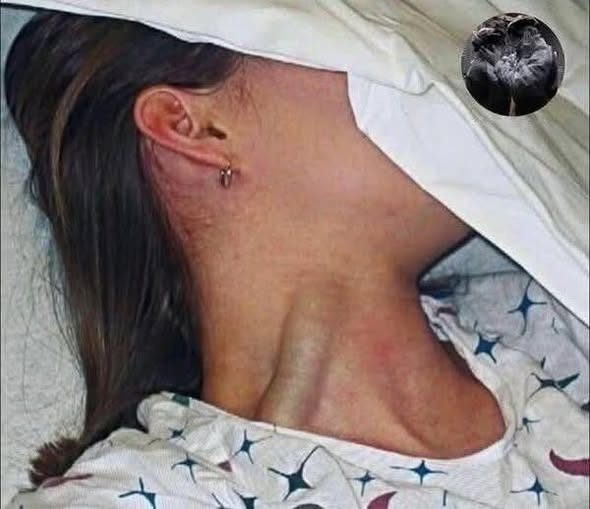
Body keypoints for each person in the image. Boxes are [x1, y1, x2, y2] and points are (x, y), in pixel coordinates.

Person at [5, 10, 588, 508]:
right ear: (193, 127)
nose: (423, 53)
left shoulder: (560, 323)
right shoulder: (140, 494)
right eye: (362, 17)